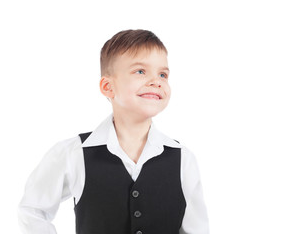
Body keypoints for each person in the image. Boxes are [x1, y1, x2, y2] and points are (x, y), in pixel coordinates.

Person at [18, 29, 209, 234]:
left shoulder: (183, 159)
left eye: (163, 74)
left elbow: (196, 230)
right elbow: (33, 210)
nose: (157, 81)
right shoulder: (73, 153)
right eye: (140, 71)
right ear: (108, 87)